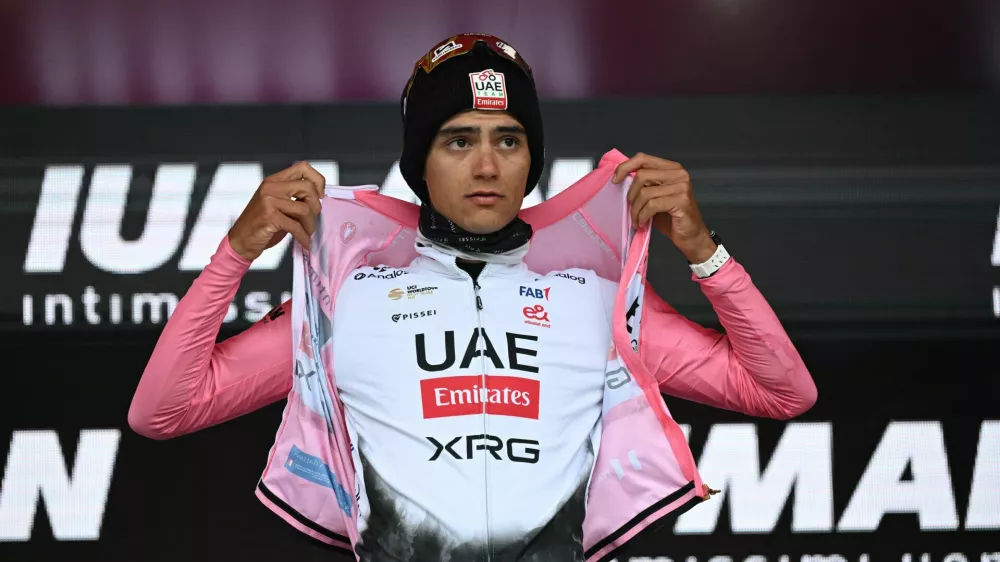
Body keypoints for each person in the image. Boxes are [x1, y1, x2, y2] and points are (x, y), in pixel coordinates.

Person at [129, 34, 817, 562]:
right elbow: (164, 410)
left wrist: (704, 250)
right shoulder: (348, 300)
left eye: (508, 141)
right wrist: (236, 253)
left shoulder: (595, 299)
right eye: (459, 140)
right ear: (419, 163)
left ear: (531, 160)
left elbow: (782, 392)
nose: (487, 166)